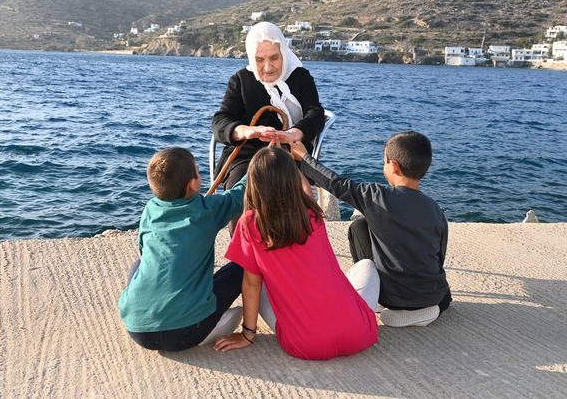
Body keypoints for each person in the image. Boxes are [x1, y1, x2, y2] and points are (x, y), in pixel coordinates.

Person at [214, 147, 379, 360]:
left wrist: (248, 334)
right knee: (366, 266)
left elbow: (251, 284)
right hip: (360, 335)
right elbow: (304, 190)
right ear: (294, 179)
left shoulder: (250, 223)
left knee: (259, 282)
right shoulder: (312, 213)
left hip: (306, 345)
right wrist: (291, 157)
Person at [289, 131, 452, 327]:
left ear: (394, 166)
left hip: (392, 296)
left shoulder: (377, 197)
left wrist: (304, 157)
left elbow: (336, 184)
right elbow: (439, 256)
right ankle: (428, 309)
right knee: (442, 292)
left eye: (384, 162)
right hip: (431, 294)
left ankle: (378, 302)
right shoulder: (434, 208)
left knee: (359, 226)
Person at [118, 147, 247, 351]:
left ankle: (147, 307)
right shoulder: (207, 209)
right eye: (197, 170)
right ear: (192, 184)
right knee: (243, 267)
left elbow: (144, 249)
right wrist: (262, 160)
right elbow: (239, 194)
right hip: (184, 333)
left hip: (137, 330)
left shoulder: (151, 209)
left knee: (139, 264)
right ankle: (209, 327)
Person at [211, 22, 325, 230]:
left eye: (274, 57)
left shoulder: (300, 77)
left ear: (283, 52)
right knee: (240, 198)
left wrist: (293, 133)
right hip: (247, 155)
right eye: (260, 59)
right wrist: (248, 131)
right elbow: (220, 121)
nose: (267, 66)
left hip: (290, 152)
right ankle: (245, 254)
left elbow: (316, 113)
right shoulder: (240, 80)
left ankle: (294, 250)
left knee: (296, 196)